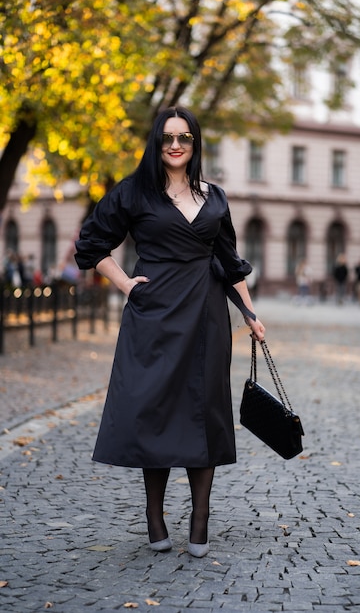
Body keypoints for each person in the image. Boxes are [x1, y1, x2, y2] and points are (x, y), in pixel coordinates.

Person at [74, 106, 265, 558]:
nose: (175, 145)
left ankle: (200, 518)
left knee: (205, 411)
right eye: (167, 138)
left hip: (206, 316)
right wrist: (124, 284)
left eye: (184, 137)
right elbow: (92, 244)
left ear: (195, 144)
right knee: (155, 408)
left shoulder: (215, 197)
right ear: (156, 144)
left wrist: (251, 315)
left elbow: (230, 262)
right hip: (154, 313)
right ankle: (154, 514)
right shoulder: (134, 193)